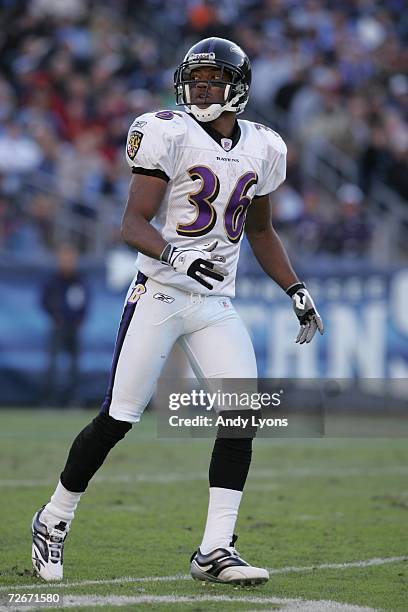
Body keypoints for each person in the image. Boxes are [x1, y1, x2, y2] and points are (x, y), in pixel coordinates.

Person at [31, 37, 323, 586]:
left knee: (240, 415)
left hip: (214, 302)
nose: (202, 88)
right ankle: (53, 518)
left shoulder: (263, 146)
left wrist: (295, 288)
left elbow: (260, 230)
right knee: (118, 418)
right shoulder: (168, 131)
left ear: (237, 89)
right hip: (160, 294)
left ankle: (215, 550)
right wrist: (177, 257)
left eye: (214, 80)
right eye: (197, 78)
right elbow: (132, 224)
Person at [41, 244, 88, 406]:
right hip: (58, 327)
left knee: (75, 366)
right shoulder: (52, 280)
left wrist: (80, 319)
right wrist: (55, 316)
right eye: (65, 259)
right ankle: (50, 399)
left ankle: (73, 399)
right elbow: (44, 301)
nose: (68, 262)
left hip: (74, 327)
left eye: (71, 259)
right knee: (52, 364)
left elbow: (86, 301)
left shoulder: (80, 279)